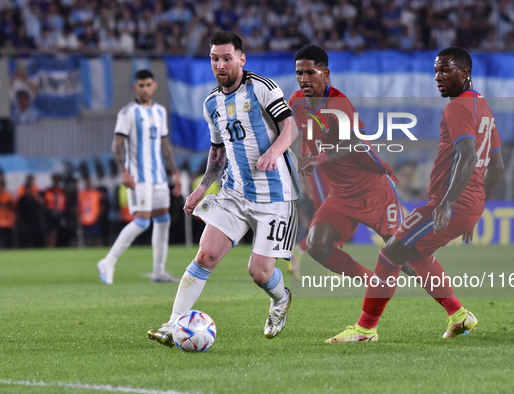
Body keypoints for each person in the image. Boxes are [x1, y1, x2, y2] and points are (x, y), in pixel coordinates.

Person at [326, 47, 505, 343]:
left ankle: (365, 330)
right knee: (418, 255)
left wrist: (448, 203)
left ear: (465, 72)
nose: (438, 77)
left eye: (446, 70)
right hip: (468, 204)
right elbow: (497, 167)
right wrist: (476, 208)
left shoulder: (457, 107)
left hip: (450, 203)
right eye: (436, 70)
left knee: (390, 253)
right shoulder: (482, 106)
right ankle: (459, 316)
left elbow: (468, 157)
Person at [147, 31, 298, 347]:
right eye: (215, 58)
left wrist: (273, 152)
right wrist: (202, 188)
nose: (220, 64)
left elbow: (290, 128)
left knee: (258, 271)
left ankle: (281, 299)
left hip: (274, 195)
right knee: (205, 255)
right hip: (234, 191)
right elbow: (218, 151)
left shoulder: (263, 89)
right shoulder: (211, 103)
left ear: (242, 59)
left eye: (227, 58)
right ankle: (174, 323)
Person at [291, 44, 419, 285]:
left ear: (325, 73)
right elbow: (303, 134)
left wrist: (317, 159)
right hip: (341, 194)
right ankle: (374, 283)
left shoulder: (338, 102)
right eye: (299, 73)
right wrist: (303, 161)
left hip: (374, 188)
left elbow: (354, 141)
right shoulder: (296, 103)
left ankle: (456, 309)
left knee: (403, 259)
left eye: (310, 72)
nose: (303, 79)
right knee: (317, 245)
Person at [97, 69, 182, 284]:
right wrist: (123, 171)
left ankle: (159, 272)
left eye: (148, 84)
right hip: (139, 176)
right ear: (135, 88)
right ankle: (108, 261)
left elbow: (165, 146)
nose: (145, 89)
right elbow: (116, 145)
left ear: (154, 86)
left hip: (159, 177)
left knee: (163, 221)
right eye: (141, 85)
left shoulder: (160, 111)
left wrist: (176, 173)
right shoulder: (128, 112)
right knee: (142, 222)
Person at [44, 174, 67, 248]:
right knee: (50, 231)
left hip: (58, 213)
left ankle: (52, 246)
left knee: (55, 232)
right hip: (50, 213)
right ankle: (49, 246)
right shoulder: (48, 191)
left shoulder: (61, 191)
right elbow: (45, 201)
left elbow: (63, 203)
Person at [0, 179, 16, 249]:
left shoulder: (9, 196)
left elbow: (14, 206)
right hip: (0, 223)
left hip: (8, 223)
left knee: (9, 243)